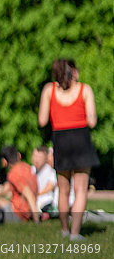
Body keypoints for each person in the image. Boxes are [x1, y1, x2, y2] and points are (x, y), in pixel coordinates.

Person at [38, 58, 98, 240]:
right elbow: (92, 121)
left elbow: (42, 121)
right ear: (73, 72)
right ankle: (75, 233)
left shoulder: (49, 90)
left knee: (63, 189)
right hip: (80, 139)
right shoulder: (84, 89)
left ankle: (64, 229)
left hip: (60, 140)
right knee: (80, 189)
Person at [0, 146, 40, 223]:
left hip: (19, 215)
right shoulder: (27, 167)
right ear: (19, 155)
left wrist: (37, 221)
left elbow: (29, 195)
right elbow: (8, 187)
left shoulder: (13, 174)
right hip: (27, 211)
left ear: (4, 162)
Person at [31, 145, 58, 213]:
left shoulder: (51, 172)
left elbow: (48, 188)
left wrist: (32, 194)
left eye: (39, 157)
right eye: (35, 156)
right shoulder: (31, 170)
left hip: (46, 201)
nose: (36, 159)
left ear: (45, 158)